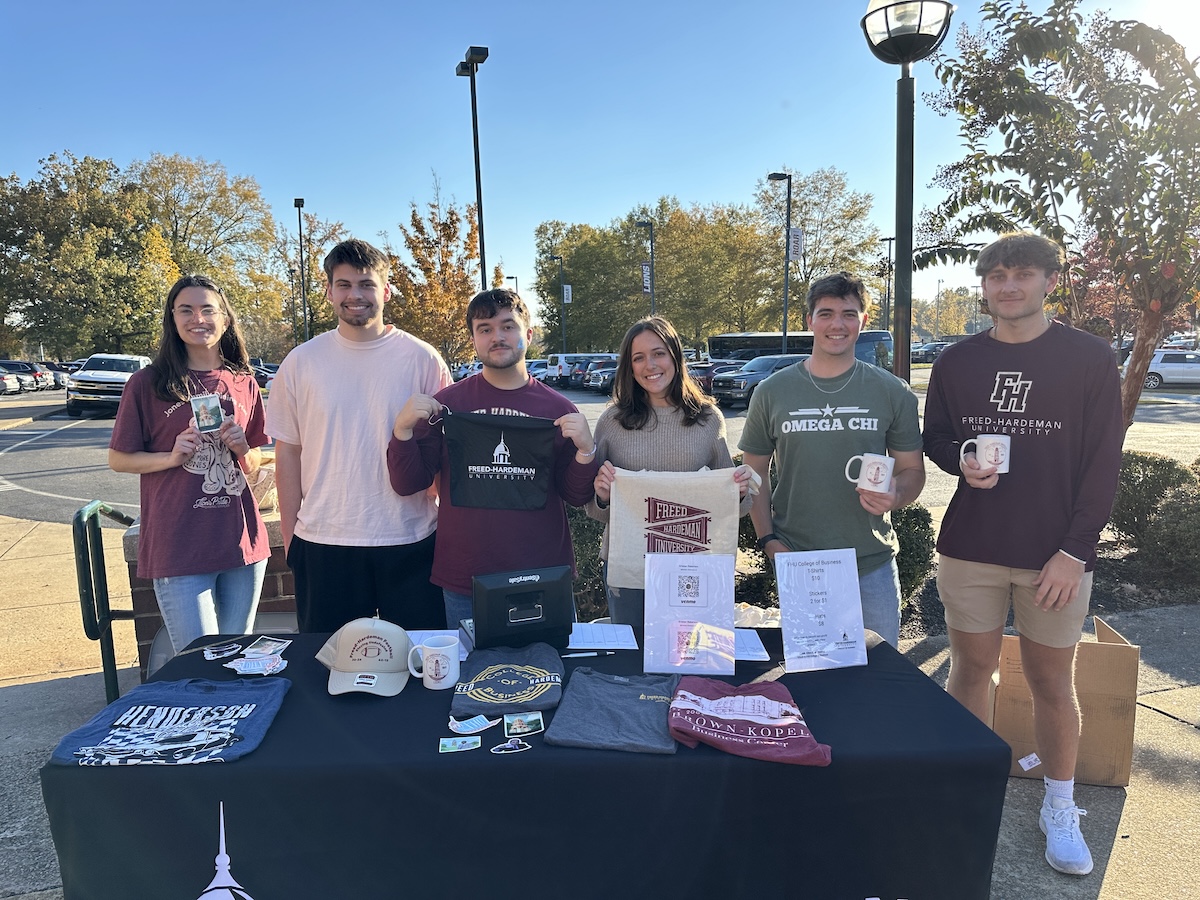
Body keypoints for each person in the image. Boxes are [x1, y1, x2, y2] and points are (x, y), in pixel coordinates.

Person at [923, 232, 1123, 877]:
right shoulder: (957, 361)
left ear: (1049, 281)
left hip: (1053, 556)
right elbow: (936, 437)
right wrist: (961, 458)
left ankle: (1059, 805)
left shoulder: (1089, 358)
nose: (1008, 286)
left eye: (1023, 274)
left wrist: (1075, 551)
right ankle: (965, 791)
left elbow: (1103, 464)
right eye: (997, 276)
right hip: (971, 548)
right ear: (984, 287)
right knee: (971, 670)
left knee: (1050, 683)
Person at [267, 238, 451, 633]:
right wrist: (291, 538)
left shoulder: (423, 359)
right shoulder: (301, 363)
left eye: (367, 284)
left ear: (386, 290)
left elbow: (442, 453)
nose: (356, 295)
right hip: (324, 541)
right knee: (327, 664)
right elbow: (288, 454)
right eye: (345, 284)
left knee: (420, 662)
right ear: (329, 291)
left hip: (412, 538)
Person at [387, 288, 599, 628]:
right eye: (485, 329)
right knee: (472, 665)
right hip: (466, 577)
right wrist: (402, 430)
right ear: (473, 340)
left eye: (508, 326)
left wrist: (587, 451)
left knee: (552, 663)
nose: (497, 337)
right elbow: (408, 482)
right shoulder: (446, 406)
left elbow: (575, 495)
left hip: (543, 574)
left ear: (528, 334)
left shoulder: (558, 409)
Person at [739, 272, 926, 647]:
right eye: (826, 313)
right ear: (809, 320)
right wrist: (769, 540)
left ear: (863, 321)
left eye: (849, 314)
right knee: (815, 675)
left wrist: (896, 494)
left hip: (871, 563)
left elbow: (912, 471)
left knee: (880, 674)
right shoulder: (772, 392)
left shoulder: (893, 392)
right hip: (800, 563)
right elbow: (754, 474)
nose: (837, 324)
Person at [109, 274, 270, 654]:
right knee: (200, 664)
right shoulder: (147, 383)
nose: (198, 319)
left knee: (235, 658)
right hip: (179, 547)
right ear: (173, 319)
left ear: (225, 319)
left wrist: (242, 447)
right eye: (186, 310)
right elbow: (118, 459)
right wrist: (171, 456)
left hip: (242, 543)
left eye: (207, 310)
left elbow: (254, 459)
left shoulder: (244, 382)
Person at [588, 316, 754, 625]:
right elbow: (595, 509)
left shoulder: (708, 419)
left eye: (658, 353)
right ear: (629, 367)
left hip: (694, 565)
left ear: (675, 356)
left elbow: (735, 509)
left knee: (690, 650)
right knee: (634, 652)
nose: (650, 365)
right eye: (638, 358)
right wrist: (603, 497)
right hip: (629, 566)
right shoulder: (612, 422)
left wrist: (740, 492)